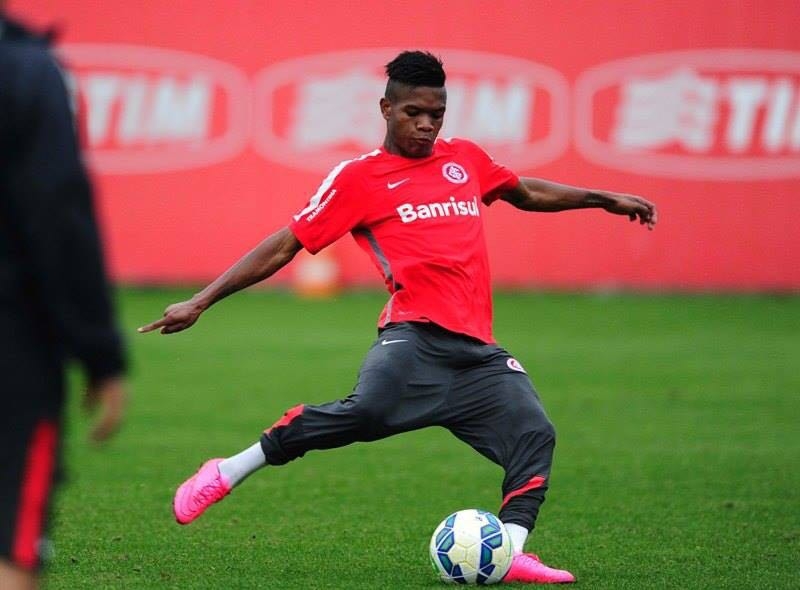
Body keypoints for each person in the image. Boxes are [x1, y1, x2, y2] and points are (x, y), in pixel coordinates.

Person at [139, 50, 656, 584]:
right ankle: (227, 471)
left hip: (477, 353)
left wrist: (603, 198)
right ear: (386, 109)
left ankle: (508, 550)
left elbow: (524, 192)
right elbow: (285, 244)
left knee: (534, 434)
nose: (427, 124)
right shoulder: (359, 178)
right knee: (365, 412)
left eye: (437, 114)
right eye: (414, 112)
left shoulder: (465, 159)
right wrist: (201, 300)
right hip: (414, 338)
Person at [0, 10, 127, 590]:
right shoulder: (24, 70)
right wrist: (99, 353)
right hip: (12, 344)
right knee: (9, 543)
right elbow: (56, 210)